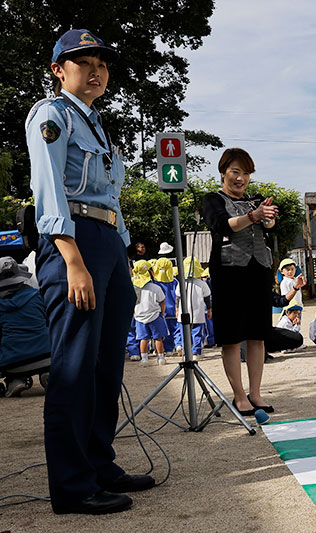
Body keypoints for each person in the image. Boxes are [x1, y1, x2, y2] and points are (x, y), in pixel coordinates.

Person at [26, 29, 151, 514]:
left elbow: (110, 197)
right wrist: (72, 259)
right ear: (59, 69)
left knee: (105, 365)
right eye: (82, 61)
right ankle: (74, 486)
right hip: (72, 241)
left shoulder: (96, 123)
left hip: (108, 243)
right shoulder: (51, 114)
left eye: (101, 62)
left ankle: (100, 464)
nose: (95, 70)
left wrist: (121, 255)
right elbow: (49, 188)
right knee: (74, 367)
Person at [201, 147, 278, 416]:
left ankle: (256, 393)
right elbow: (221, 225)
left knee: (258, 336)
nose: (240, 178)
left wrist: (267, 217)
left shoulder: (256, 201)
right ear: (223, 172)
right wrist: (253, 216)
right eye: (235, 171)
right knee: (232, 337)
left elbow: (268, 229)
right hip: (229, 273)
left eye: (245, 173)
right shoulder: (213, 199)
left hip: (259, 271)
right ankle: (238, 395)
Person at [0, 257, 50, 397]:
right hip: (47, 355)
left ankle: (15, 380)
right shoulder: (36, 296)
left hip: (14, 361)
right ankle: (48, 374)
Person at [132, 260, 168, 365]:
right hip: (155, 315)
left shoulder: (134, 288)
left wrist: (135, 313)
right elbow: (162, 301)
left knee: (143, 339)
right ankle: (161, 358)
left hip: (139, 317)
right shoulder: (155, 287)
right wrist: (162, 313)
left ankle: (144, 359)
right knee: (158, 338)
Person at [175, 257, 211, 361]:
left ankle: (186, 353)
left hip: (183, 313)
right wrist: (209, 310)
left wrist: (177, 309)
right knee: (197, 333)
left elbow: (177, 297)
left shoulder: (181, 283)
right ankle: (196, 352)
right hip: (198, 313)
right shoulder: (202, 284)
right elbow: (207, 298)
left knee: (185, 333)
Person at [151, 257, 179, 355]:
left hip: (160, 310)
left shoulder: (155, 283)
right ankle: (175, 346)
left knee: (163, 331)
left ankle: (166, 349)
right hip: (174, 309)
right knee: (175, 329)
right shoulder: (175, 281)